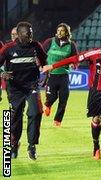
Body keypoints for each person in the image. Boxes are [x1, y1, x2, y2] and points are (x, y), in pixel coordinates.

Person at [42, 34, 101, 160]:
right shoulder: (94, 54)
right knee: (96, 119)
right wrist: (52, 66)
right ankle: (96, 147)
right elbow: (74, 59)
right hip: (96, 91)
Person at [0, 22, 47, 160]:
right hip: (14, 88)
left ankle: (32, 146)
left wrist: (46, 75)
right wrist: (2, 72)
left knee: (36, 112)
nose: (31, 36)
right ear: (20, 35)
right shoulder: (8, 48)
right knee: (15, 117)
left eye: (31, 33)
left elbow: (44, 61)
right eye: (28, 34)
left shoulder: (36, 46)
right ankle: (14, 145)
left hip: (31, 86)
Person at [42, 23, 78, 127]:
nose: (59, 33)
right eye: (58, 30)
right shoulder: (50, 42)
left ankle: (57, 120)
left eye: (62, 31)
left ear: (67, 32)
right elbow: (41, 54)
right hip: (52, 75)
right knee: (52, 97)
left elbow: (75, 59)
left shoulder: (71, 45)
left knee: (63, 99)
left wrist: (73, 64)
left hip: (64, 76)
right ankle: (47, 104)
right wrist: (41, 65)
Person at [0, 27, 18, 102]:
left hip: (25, 81)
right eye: (12, 34)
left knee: (32, 110)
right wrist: (2, 72)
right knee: (11, 103)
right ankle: (8, 114)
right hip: (10, 80)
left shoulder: (30, 47)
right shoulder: (7, 47)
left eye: (15, 34)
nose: (13, 36)